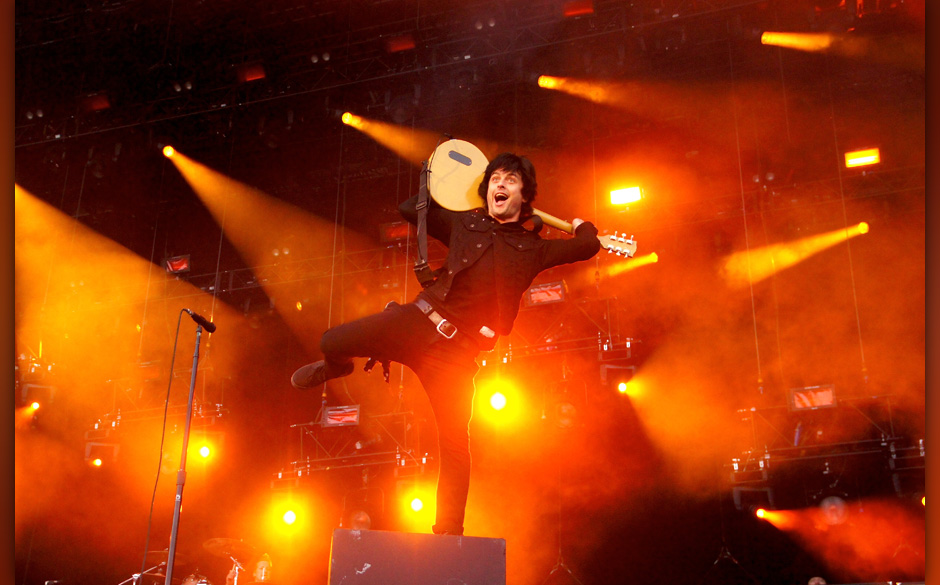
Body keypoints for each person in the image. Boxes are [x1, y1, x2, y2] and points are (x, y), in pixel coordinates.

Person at [291, 152, 601, 535]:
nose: (500, 185)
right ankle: (338, 366)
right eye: (495, 179)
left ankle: (448, 535)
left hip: (456, 355)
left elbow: (588, 245)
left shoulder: (534, 248)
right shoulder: (465, 223)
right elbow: (409, 208)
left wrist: (580, 224)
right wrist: (458, 190)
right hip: (417, 321)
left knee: (455, 447)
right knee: (331, 340)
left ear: (525, 193)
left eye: (510, 180)